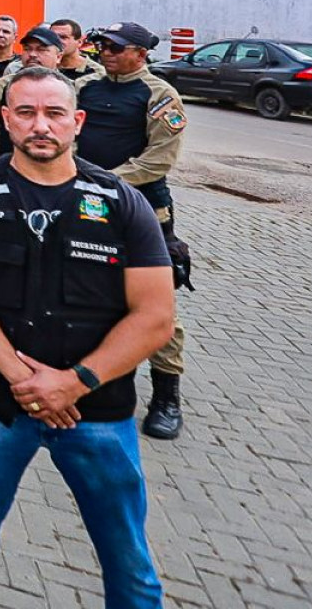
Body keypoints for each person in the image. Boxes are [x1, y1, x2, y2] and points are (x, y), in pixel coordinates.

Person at [0, 67, 176, 608]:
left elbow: (156, 316)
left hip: (96, 411)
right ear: (5, 119)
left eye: (54, 113)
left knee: (127, 557)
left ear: (77, 121)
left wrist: (74, 382)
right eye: (25, 112)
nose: (40, 125)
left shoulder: (118, 201)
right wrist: (27, 380)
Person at [74, 23, 191, 440]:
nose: (105, 51)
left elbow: (158, 159)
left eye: (115, 47)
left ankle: (166, 396)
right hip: (85, 205)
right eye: (102, 45)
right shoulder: (86, 87)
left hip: (141, 209)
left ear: (140, 53)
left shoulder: (160, 95)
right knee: (88, 289)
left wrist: (105, 180)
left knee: (154, 304)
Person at [0, 25, 65, 156]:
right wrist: (6, 140)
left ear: (58, 56)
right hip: (13, 160)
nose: (33, 55)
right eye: (27, 49)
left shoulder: (69, 89)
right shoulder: (1, 86)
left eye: (41, 50)